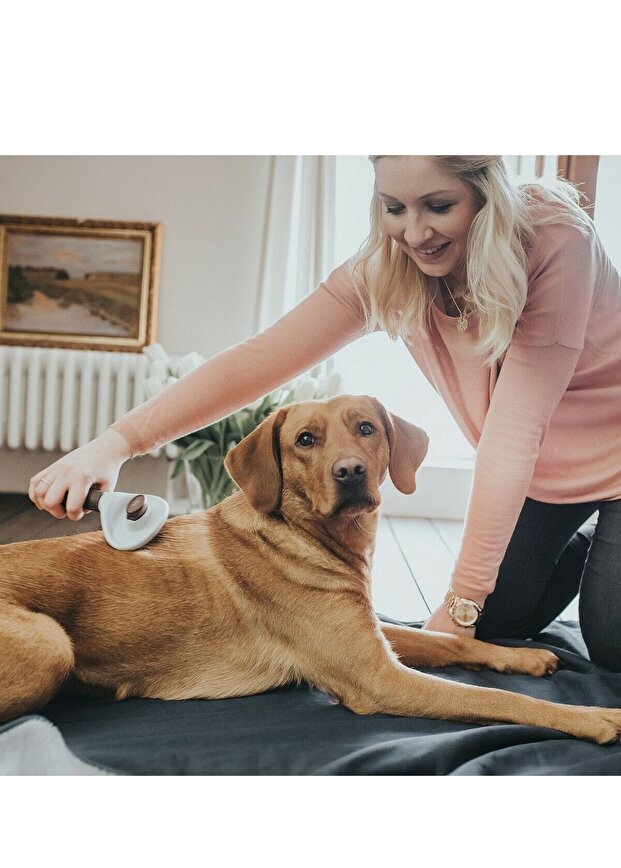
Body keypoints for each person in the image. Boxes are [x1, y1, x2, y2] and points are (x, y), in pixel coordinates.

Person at [29, 156, 621, 669]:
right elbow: (257, 361)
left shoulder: (557, 242)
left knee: (610, 643)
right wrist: (115, 442)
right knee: (497, 620)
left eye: (439, 206)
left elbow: (514, 435)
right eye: (394, 208)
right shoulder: (387, 270)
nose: (414, 233)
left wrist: (460, 604)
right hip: (541, 478)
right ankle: (591, 545)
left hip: (600, 457)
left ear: (486, 193)